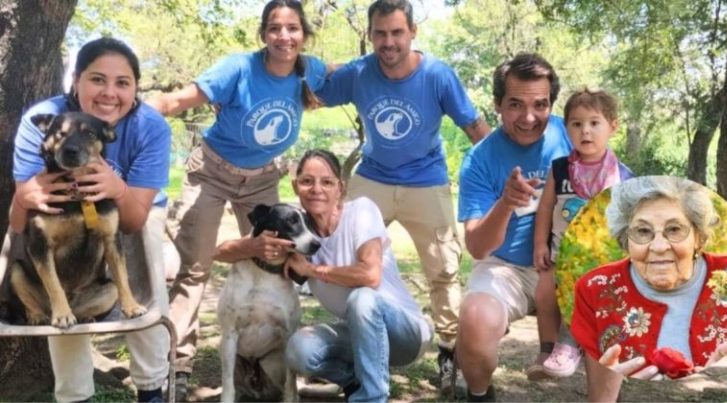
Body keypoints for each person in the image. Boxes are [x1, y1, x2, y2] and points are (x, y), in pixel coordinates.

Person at [145, 0, 326, 397]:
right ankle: (175, 369)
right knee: (195, 268)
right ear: (263, 34)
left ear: (303, 34)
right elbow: (178, 101)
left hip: (262, 179)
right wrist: (129, 113)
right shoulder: (238, 68)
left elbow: (352, 76)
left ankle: (274, 353)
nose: (284, 36)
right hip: (212, 172)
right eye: (275, 28)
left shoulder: (309, 72)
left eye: (293, 28)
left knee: (275, 255)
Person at [315, 0, 491, 392]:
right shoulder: (359, 73)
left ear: (413, 32)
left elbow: (475, 127)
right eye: (380, 33)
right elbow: (313, 95)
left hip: (426, 179)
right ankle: (354, 339)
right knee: (342, 253)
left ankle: (448, 353)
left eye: (397, 32)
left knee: (443, 269)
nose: (389, 42)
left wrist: (500, 173)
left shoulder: (437, 75)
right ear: (370, 35)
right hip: (373, 178)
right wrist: (312, 69)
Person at [9, 37, 171, 402]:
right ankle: (74, 395)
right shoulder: (44, 121)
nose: (109, 93)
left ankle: (151, 386)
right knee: (58, 280)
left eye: (122, 83)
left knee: (147, 258)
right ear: (76, 81)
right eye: (97, 79)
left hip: (129, 212)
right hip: (59, 217)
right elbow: (20, 223)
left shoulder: (150, 126)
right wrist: (24, 196)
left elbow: (134, 220)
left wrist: (116, 188)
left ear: (135, 88)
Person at [214, 149, 433, 403]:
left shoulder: (361, 211)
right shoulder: (296, 230)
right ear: (296, 187)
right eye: (307, 181)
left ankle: (372, 398)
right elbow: (221, 252)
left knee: (363, 299)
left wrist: (311, 270)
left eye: (327, 182)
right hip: (359, 335)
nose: (317, 189)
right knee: (299, 348)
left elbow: (371, 275)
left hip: (405, 334)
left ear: (340, 188)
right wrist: (254, 245)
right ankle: (353, 381)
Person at [571, 176, 727, 401]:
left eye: (674, 229)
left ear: (698, 236)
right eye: (642, 231)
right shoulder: (595, 288)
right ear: (625, 238)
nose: (659, 246)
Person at [455, 53, 572, 401]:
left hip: (569, 263)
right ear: (498, 105)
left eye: (541, 104)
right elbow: (477, 248)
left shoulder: (576, 134)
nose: (529, 117)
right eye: (516, 105)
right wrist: (506, 202)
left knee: (615, 305)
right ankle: (479, 393)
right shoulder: (479, 158)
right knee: (474, 320)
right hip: (507, 268)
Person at [530, 89, 633, 378]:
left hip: (601, 262)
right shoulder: (560, 170)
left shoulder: (624, 178)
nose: (585, 131)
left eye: (594, 123)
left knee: (584, 292)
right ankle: (547, 349)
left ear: (612, 126)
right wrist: (540, 243)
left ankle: (568, 344)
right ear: (567, 129)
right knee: (545, 291)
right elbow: (545, 208)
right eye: (576, 124)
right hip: (560, 256)